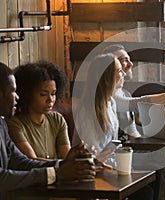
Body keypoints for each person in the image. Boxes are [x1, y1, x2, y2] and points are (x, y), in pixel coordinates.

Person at [0, 62, 95, 200]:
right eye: (12, 91)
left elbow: (21, 162)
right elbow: (2, 178)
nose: (17, 97)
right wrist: (56, 174)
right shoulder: (12, 124)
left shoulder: (1, 124)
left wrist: (63, 164)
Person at [73, 53, 154, 200]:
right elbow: (90, 151)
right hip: (93, 169)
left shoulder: (111, 102)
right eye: (119, 71)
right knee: (145, 192)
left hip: (110, 164)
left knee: (149, 184)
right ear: (106, 77)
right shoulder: (88, 110)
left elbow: (113, 143)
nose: (123, 73)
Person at [103, 44, 165, 140]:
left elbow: (133, 133)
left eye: (129, 59)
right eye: (124, 60)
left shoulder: (125, 93)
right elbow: (136, 104)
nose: (131, 64)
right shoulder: (106, 95)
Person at [5, 61, 71, 161]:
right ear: (27, 94)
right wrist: (63, 164)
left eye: (53, 94)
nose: (50, 100)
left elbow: (67, 157)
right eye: (43, 94)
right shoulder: (15, 123)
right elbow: (31, 161)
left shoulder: (57, 120)